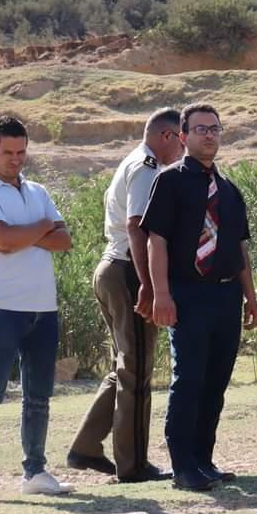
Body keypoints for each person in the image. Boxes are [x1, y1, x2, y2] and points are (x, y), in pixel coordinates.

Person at [144, 103, 257, 491]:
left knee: (215, 381)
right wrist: (161, 293)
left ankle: (204, 458)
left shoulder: (229, 190)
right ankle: (183, 465)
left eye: (214, 128)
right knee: (189, 379)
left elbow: (239, 249)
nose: (208, 135)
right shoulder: (169, 181)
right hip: (187, 294)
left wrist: (251, 296)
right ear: (183, 136)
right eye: (199, 129)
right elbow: (156, 240)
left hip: (226, 296)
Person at [0, 116, 75, 502]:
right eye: (8, 152)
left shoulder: (38, 190)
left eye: (21, 151)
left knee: (38, 395)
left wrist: (27, 233)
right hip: (0, 308)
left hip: (43, 308)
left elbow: (65, 241)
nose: (16, 159)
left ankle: (35, 471)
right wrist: (42, 227)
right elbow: (4, 241)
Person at [66, 108, 182, 482]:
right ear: (168, 136)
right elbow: (137, 227)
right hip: (128, 271)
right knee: (137, 370)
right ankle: (132, 467)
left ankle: (86, 446)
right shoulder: (147, 167)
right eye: (182, 139)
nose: (183, 148)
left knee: (125, 367)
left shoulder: (135, 161)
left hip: (114, 268)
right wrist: (148, 284)